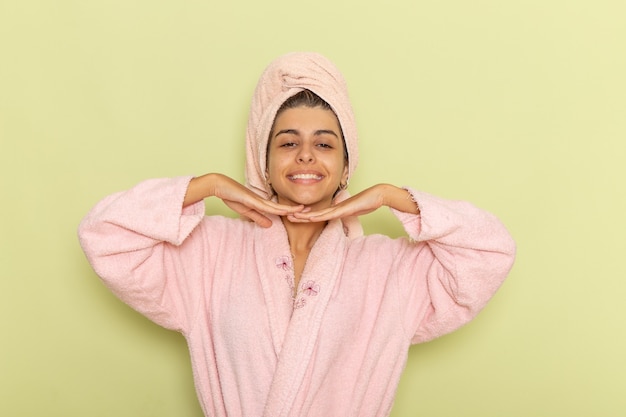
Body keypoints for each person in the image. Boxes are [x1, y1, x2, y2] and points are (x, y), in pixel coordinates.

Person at [78, 52, 516, 417]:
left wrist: (389, 196)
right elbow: (105, 235)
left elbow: (490, 251)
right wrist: (208, 185)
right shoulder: (209, 253)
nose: (306, 154)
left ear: (346, 166)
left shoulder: (390, 269)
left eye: (324, 144)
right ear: (264, 163)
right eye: (287, 143)